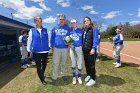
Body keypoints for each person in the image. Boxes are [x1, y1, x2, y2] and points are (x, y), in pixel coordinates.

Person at [27, 16, 49, 85]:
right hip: (36, 51)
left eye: (41, 21)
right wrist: (28, 49)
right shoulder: (32, 30)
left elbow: (49, 38)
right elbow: (29, 40)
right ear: (35, 22)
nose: (40, 22)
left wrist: (50, 45)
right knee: (38, 66)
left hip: (45, 50)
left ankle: (41, 74)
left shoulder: (45, 30)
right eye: (38, 21)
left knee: (44, 64)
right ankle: (42, 79)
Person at [51, 14, 70, 81]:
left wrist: (69, 46)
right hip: (56, 48)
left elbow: (69, 38)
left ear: (65, 20)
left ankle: (63, 75)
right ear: (58, 20)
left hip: (65, 48)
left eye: (63, 19)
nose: (62, 20)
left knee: (64, 63)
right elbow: (52, 38)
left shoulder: (67, 28)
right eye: (60, 19)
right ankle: (54, 76)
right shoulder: (54, 28)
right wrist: (52, 47)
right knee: (56, 63)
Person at [82, 16, 99, 86]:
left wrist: (93, 48)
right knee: (87, 64)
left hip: (91, 50)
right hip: (85, 50)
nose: (86, 22)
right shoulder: (85, 30)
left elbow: (96, 39)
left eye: (87, 20)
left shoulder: (94, 29)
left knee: (91, 65)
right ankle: (88, 74)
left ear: (90, 21)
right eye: (85, 21)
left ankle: (93, 78)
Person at [69, 19, 83, 84]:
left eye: (74, 23)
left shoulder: (81, 30)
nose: (73, 24)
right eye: (72, 23)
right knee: (73, 63)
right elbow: (67, 41)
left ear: (76, 23)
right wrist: (70, 44)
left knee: (79, 63)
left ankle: (79, 76)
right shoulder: (70, 32)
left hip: (79, 48)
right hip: (72, 49)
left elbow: (83, 40)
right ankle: (74, 77)